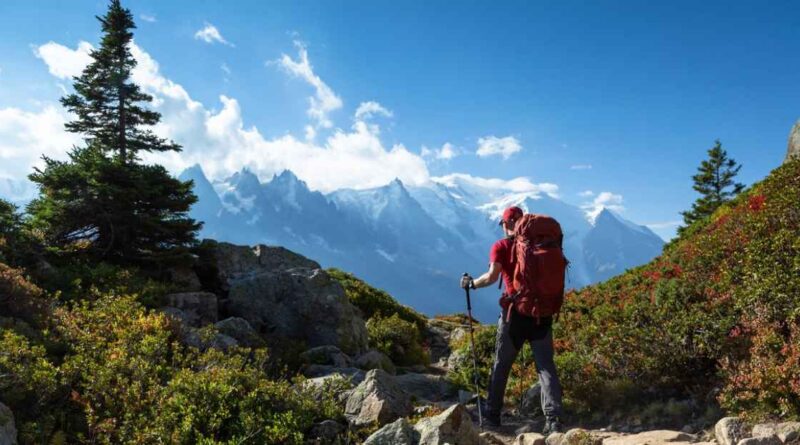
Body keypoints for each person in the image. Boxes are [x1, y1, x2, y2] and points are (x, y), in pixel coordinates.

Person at [460, 205, 564, 434]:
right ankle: (554, 420)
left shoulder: (501, 246)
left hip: (514, 315)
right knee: (546, 367)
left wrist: (471, 284)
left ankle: (492, 416)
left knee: (502, 365)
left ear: (507, 224)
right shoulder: (544, 243)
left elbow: (491, 277)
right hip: (542, 314)